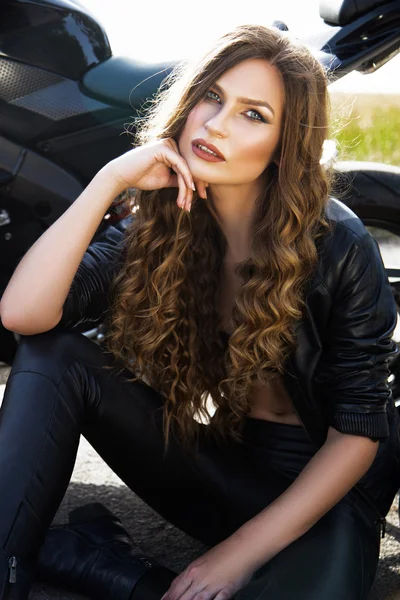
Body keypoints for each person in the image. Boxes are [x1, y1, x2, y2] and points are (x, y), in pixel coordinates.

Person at [0, 23, 399, 600]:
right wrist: (108, 181)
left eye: (253, 114)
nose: (215, 123)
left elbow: (359, 432)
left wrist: (235, 556)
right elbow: (24, 316)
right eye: (212, 97)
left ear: (287, 143)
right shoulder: (162, 224)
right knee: (53, 354)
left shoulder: (337, 244)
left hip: (329, 494)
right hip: (225, 470)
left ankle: (102, 565)